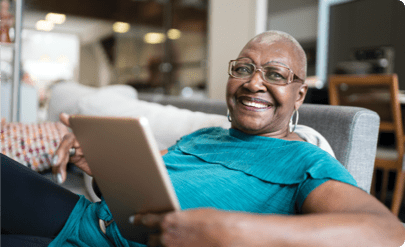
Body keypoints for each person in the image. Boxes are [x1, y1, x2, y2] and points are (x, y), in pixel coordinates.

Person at [2, 30, 405, 247]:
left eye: (276, 74)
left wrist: (234, 233)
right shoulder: (206, 136)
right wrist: (102, 165)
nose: (254, 84)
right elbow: (148, 186)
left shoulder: (305, 161)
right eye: (243, 68)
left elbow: (389, 235)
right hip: (83, 218)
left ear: (299, 94)